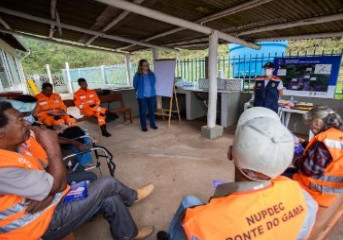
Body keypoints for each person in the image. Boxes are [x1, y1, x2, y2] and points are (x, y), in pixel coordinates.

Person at [0, 102, 155, 239]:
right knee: (108, 183)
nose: (27, 123)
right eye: (20, 119)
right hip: (38, 226)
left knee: (110, 197)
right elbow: (56, 185)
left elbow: (48, 179)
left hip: (48, 205)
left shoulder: (18, 147)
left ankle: (127, 235)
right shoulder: (3, 167)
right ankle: (131, 197)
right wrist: (53, 148)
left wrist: (49, 193)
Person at [157, 107, 317, 240]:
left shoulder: (200, 223)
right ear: (284, 164)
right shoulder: (305, 199)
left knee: (188, 201)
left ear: (230, 153)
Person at [289, 106, 343, 207]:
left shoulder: (324, 140)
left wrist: (294, 156)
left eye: (310, 125)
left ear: (317, 122)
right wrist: (305, 144)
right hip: (336, 194)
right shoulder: (337, 136)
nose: (311, 130)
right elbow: (326, 157)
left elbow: (309, 169)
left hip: (318, 193)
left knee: (281, 179)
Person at [133, 59, 158, 132]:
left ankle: (152, 124)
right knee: (142, 112)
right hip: (142, 97)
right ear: (141, 66)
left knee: (151, 111)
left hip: (152, 96)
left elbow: (154, 82)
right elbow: (135, 85)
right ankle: (143, 126)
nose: (146, 66)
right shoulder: (137, 75)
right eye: (144, 65)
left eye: (147, 65)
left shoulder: (151, 74)